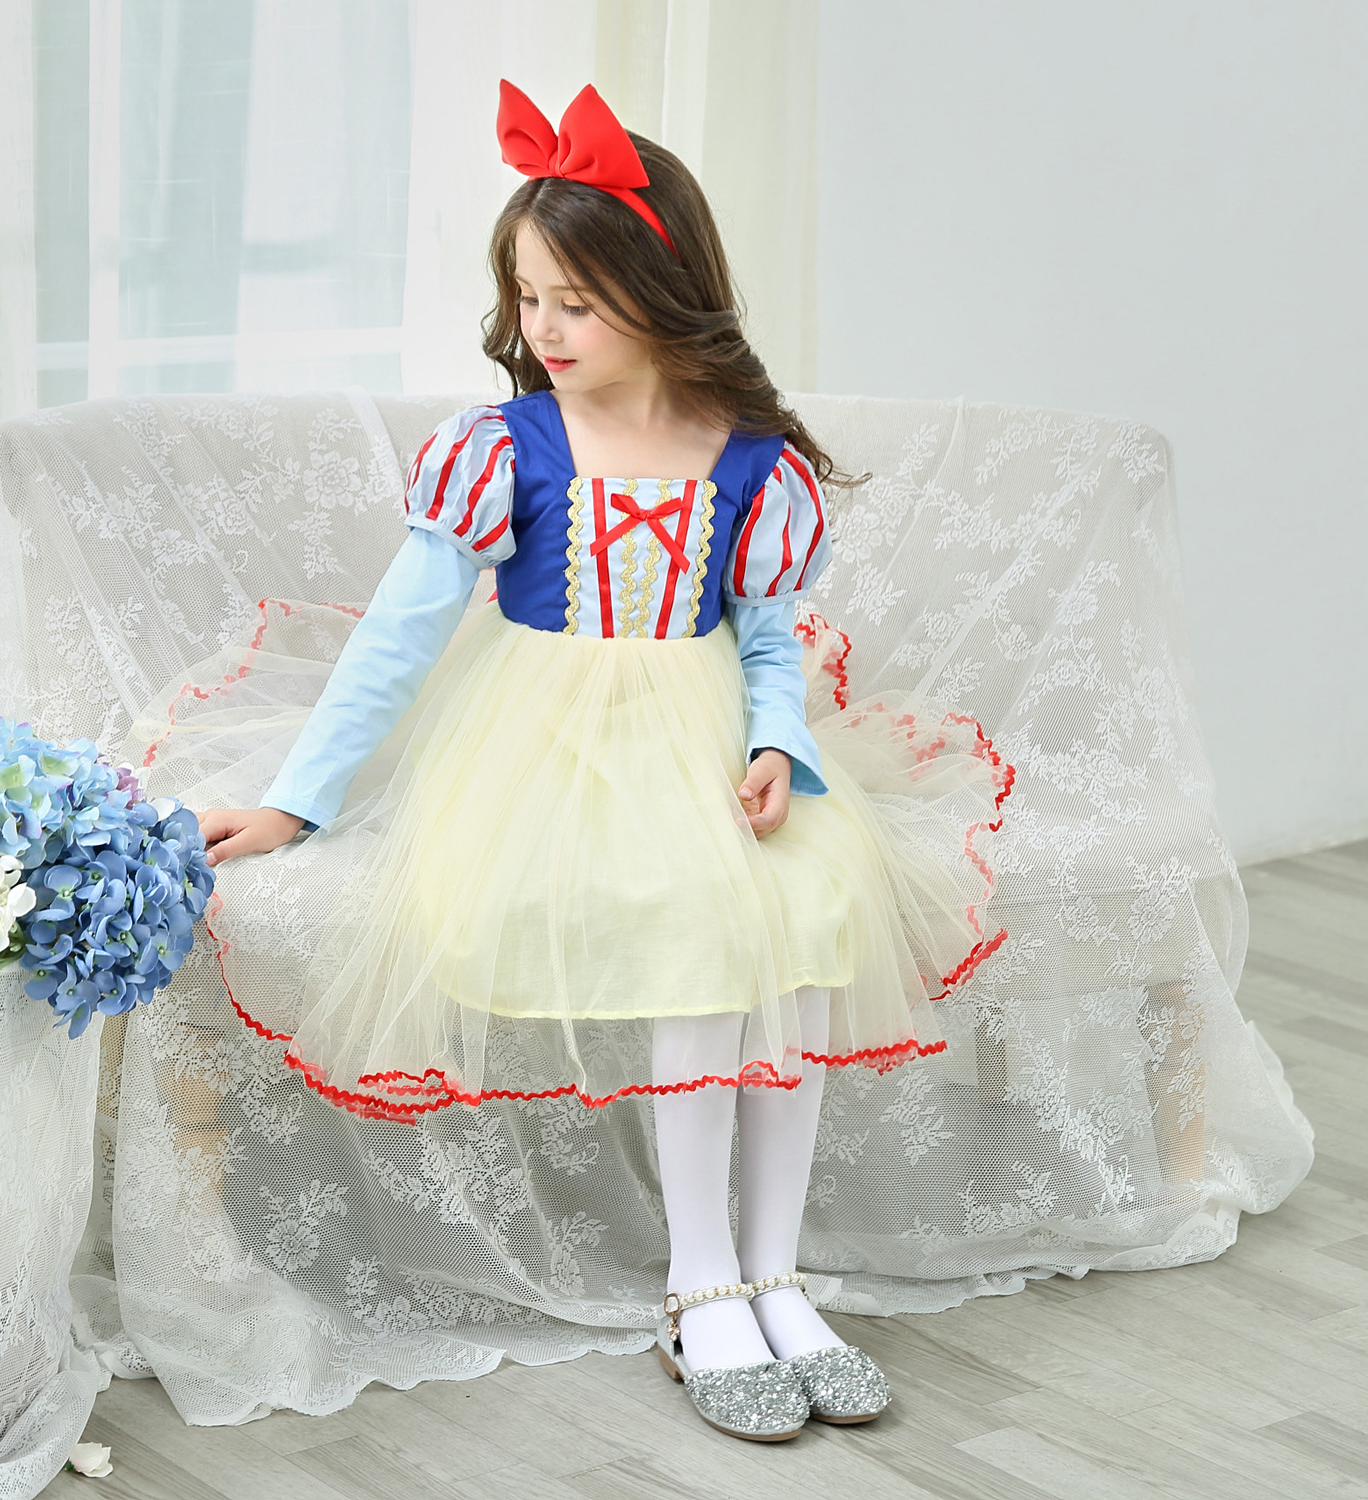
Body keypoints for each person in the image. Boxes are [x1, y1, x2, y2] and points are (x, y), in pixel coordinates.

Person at [195, 81, 1011, 1442]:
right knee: (700, 928)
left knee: (804, 920)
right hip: (548, 749)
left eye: (576, 300)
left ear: (662, 290)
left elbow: (768, 640)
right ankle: (702, 1285)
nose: (544, 328)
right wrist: (297, 801)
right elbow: (399, 637)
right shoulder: (505, 448)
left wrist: (775, 739)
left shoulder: (751, 462)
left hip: (705, 736)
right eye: (529, 297)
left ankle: (779, 1277)